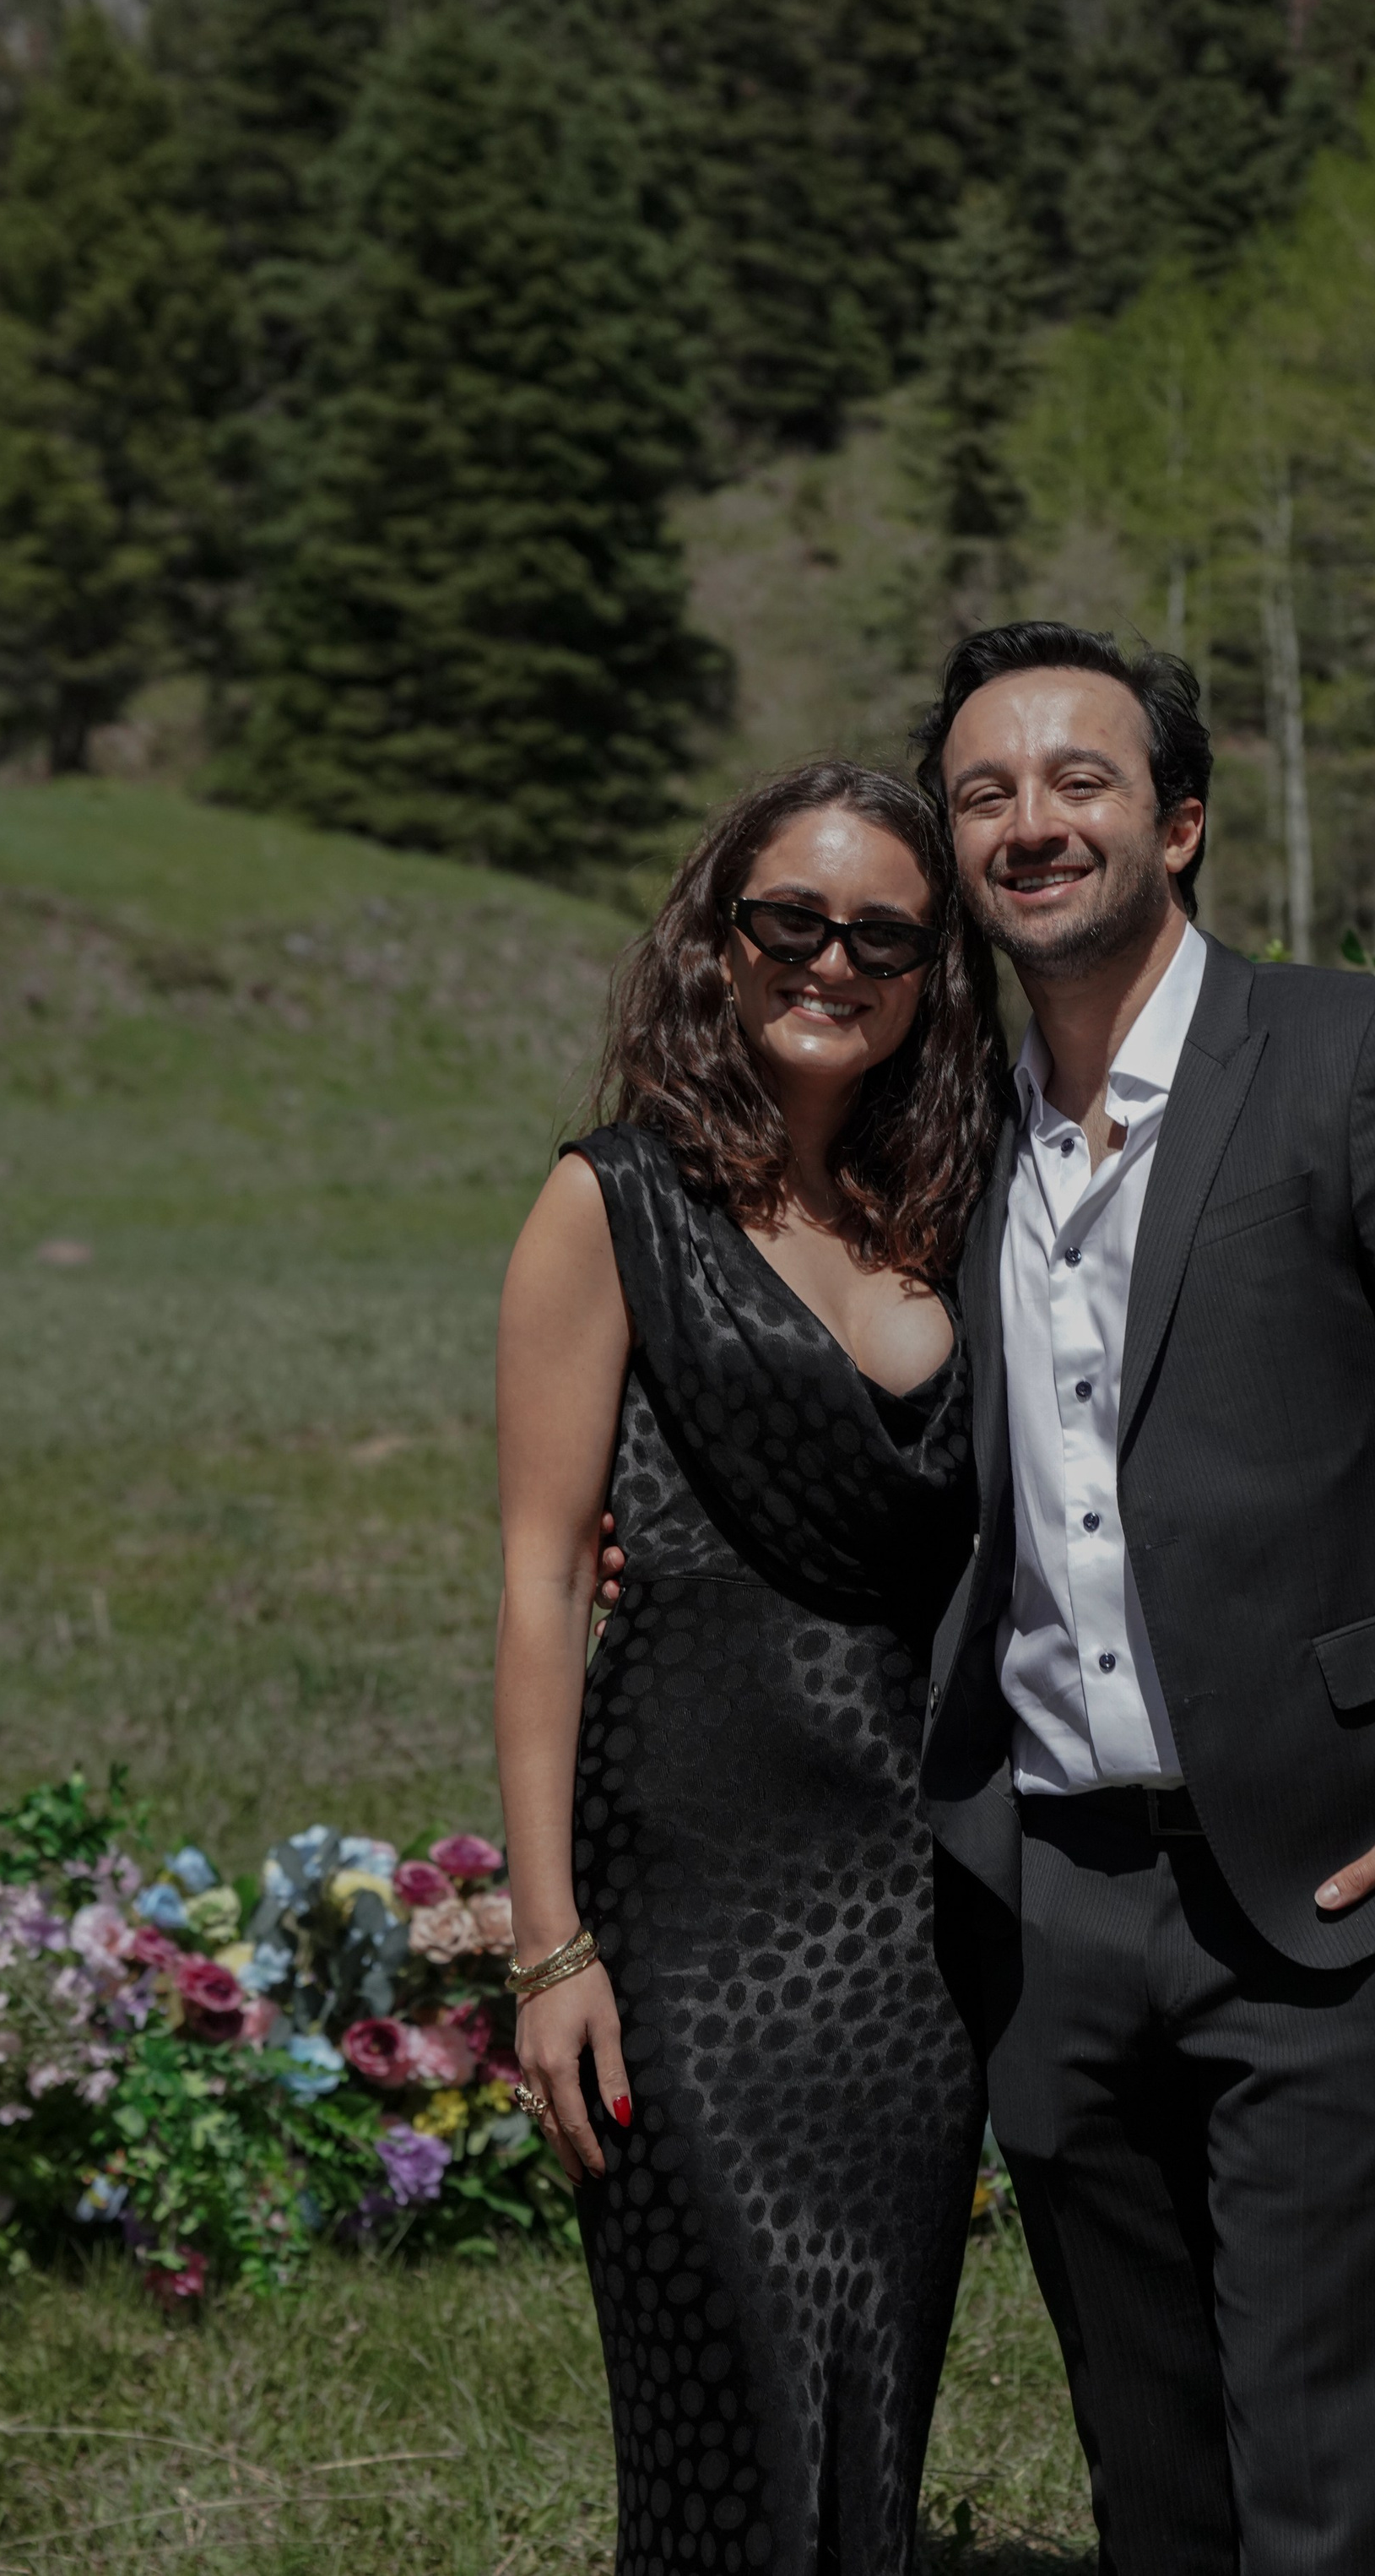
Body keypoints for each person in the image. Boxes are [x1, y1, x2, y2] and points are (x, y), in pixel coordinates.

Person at [912, 621, 1375, 2574]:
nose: (1029, 822)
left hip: (1341, 1886)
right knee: (1158, 2498)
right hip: (1053, 1901)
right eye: (982, 793)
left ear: (1179, 823)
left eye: (1078, 780)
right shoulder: (953, 1126)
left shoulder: (1357, 1058)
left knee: (1340, 2496)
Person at [493, 758, 1004, 2576]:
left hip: (909, 1895)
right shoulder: (611, 1199)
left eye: (884, 936)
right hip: (692, 1889)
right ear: (719, 939)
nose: (831, 961)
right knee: (730, 2389)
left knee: (872, 2368)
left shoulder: (957, 1202)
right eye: (791, 919)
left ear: (931, 975)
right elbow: (540, 1580)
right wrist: (548, 1945)